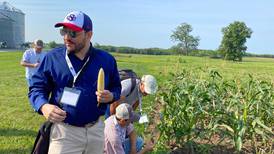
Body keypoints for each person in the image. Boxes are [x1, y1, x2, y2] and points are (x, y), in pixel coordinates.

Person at [28, 11, 121, 154]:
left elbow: (116, 87)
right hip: (64, 132)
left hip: (95, 130)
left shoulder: (106, 60)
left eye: (73, 33)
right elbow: (37, 88)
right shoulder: (53, 58)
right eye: (64, 31)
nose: (66, 37)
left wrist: (111, 96)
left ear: (89, 34)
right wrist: (44, 106)